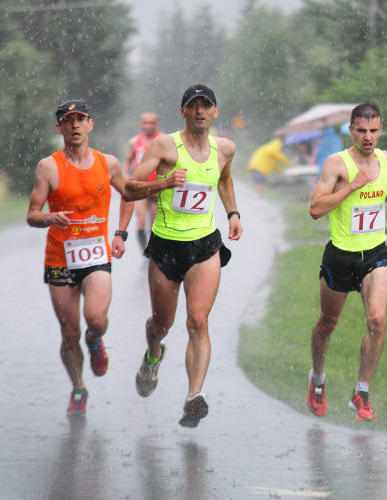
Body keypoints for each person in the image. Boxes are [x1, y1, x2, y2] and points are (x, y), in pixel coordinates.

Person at [124, 84, 243, 428]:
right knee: (161, 324)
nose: (200, 111)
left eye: (207, 106)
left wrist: (233, 213)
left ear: (215, 113)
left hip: (205, 246)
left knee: (198, 321)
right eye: (194, 106)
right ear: (184, 112)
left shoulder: (226, 149)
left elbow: (224, 180)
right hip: (165, 247)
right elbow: (130, 188)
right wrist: (162, 184)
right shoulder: (164, 146)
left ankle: (194, 396)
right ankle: (153, 353)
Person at [27, 99, 133, 417]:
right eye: (67, 120)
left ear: (90, 125)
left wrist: (120, 233)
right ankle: (78, 388)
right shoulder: (49, 166)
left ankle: (96, 339)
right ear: (59, 128)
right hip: (60, 257)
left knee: (96, 319)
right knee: (69, 332)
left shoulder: (108, 163)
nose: (74, 125)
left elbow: (129, 193)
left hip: (96, 255)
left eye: (80, 119)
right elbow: (32, 214)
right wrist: (49, 218)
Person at [306, 103, 387, 421]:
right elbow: (315, 209)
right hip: (341, 255)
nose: (368, 137)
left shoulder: (385, 159)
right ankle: (317, 380)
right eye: (362, 130)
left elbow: (383, 192)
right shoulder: (337, 163)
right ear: (351, 130)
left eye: (374, 130)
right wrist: (351, 186)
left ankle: (361, 392)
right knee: (327, 323)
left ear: (380, 130)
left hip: (375, 253)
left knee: (377, 321)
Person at [124, 112, 162, 252]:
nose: (148, 126)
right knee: (140, 221)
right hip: (139, 188)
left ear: (157, 124)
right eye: (145, 123)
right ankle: (144, 253)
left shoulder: (162, 140)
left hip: (157, 187)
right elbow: (128, 160)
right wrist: (125, 177)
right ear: (141, 124)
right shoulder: (134, 142)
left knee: (153, 224)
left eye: (151, 123)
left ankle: (154, 250)